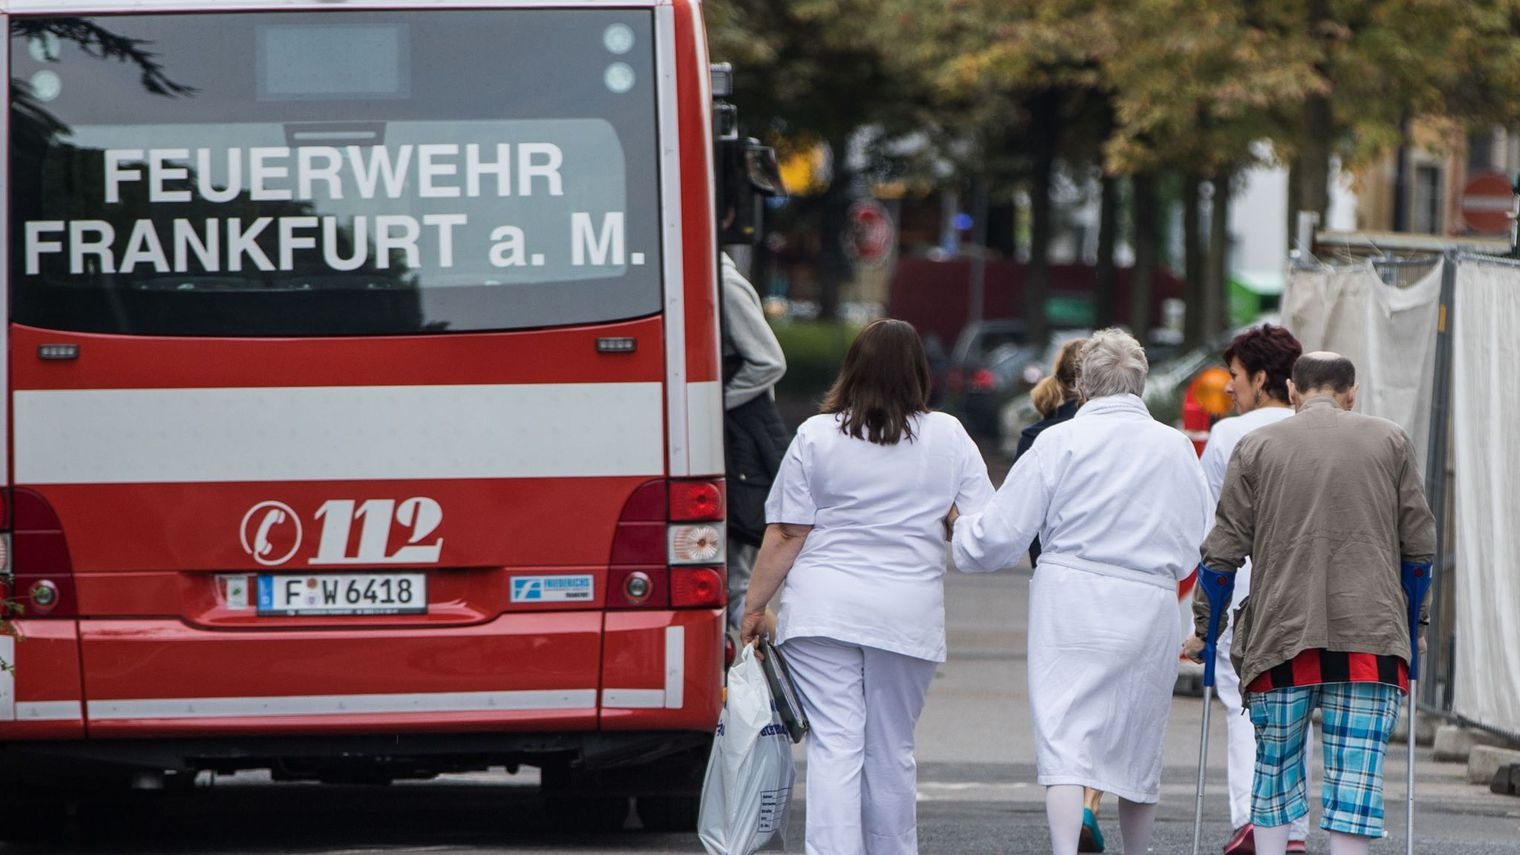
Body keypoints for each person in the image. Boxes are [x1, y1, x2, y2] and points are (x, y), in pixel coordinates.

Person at [951, 328, 1213, 855]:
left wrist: (962, 529)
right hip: (1148, 602)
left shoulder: (1058, 441)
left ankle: (1065, 848)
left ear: (1083, 387)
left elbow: (1001, 535)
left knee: (1067, 740)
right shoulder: (1175, 447)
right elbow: (1197, 539)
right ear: (1140, 385)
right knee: (1140, 740)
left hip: (1072, 598)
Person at [738, 318, 995, 855]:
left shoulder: (816, 434)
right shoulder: (948, 436)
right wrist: (945, 516)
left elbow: (787, 532)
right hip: (906, 614)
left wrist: (754, 606)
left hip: (822, 611)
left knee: (836, 745)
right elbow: (983, 526)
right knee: (892, 748)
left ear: (851, 369)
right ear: (919, 374)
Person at [1196, 352, 1436, 855]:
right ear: (1352, 394)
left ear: (1292, 391)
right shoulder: (1391, 441)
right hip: (1370, 638)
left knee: (1275, 773)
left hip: (1281, 637)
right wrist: (1416, 625)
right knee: (1356, 779)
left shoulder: (1256, 445)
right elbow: (1418, 550)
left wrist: (1207, 626)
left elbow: (1222, 553)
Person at [1180, 324, 1310, 854]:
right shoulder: (1319, 429)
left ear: (1261, 377)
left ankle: (1253, 819)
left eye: (1235, 376)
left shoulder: (1232, 437)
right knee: (1299, 706)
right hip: (1310, 591)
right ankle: (1295, 829)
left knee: (1241, 702)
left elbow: (1209, 527)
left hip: (1246, 590)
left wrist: (1199, 618)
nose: (1228, 388)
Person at [1016, 337, 1108, 853]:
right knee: (1107, 703)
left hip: (1057, 581)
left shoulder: (1039, 435)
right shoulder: (1125, 435)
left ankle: (1070, 822)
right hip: (1117, 584)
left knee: (1066, 707)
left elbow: (1025, 518)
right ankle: (1092, 805)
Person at [720, 251, 788, 633]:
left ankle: (778, 679)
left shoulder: (724, 283)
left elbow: (769, 362)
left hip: (740, 450)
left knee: (738, 585)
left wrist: (711, 407)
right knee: (733, 583)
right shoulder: (713, 280)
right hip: (737, 447)